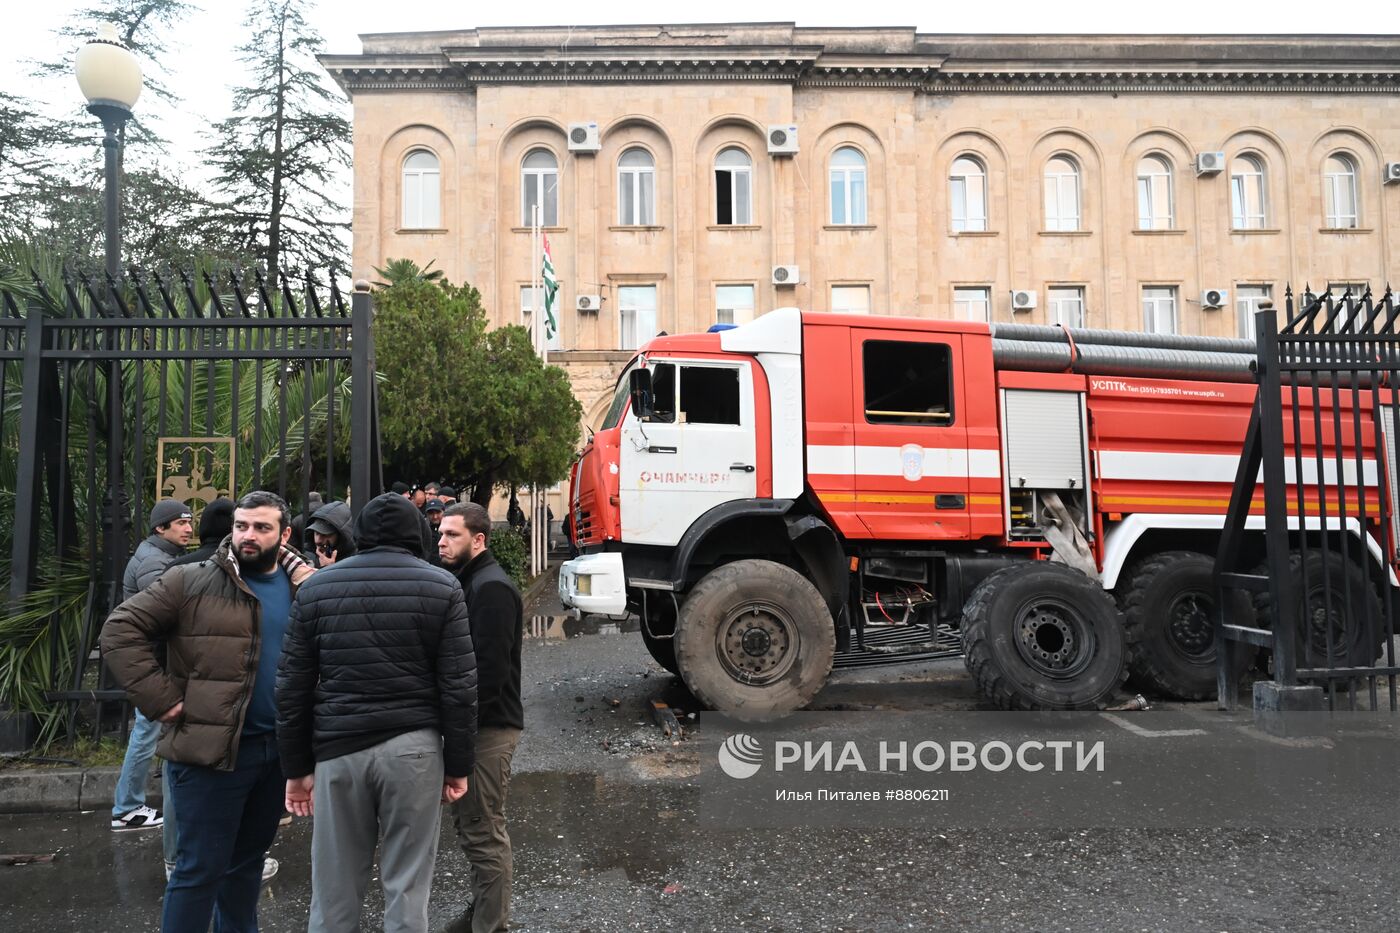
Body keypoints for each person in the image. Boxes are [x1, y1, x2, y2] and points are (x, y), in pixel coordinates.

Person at [102, 491, 314, 933]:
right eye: (241, 526)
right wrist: (161, 699)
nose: (247, 536)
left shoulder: (305, 589)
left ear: (285, 534)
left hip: (274, 754)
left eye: (261, 527)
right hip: (208, 756)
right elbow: (120, 630)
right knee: (198, 872)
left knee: (247, 867)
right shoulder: (191, 580)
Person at [277, 493, 478, 933]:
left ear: (358, 534)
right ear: (419, 533)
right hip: (414, 749)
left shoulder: (315, 588)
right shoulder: (443, 587)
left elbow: (292, 687)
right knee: (408, 887)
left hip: (337, 749)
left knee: (333, 889)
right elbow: (459, 688)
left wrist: (296, 768)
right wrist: (459, 765)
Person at [438, 502, 524, 933]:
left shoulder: (489, 588)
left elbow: (489, 675)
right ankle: (482, 912)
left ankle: (491, 924)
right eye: (441, 533)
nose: (441, 541)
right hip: (479, 726)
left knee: (483, 830)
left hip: (488, 729)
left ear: (478, 540)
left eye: (452, 534)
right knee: (473, 826)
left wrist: (459, 735)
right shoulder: (471, 582)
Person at [109, 498, 192, 832]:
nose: (189, 528)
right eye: (181, 522)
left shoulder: (160, 556)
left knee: (148, 731)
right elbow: (167, 611)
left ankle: (128, 805)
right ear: (161, 527)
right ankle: (127, 807)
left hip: (157, 660)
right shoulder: (152, 563)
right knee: (146, 732)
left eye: (189, 521)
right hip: (155, 662)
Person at [306, 500, 357, 568]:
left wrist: (329, 568)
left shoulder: (354, 559)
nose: (318, 540)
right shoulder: (308, 556)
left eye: (325, 535)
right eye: (316, 533)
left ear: (340, 535)